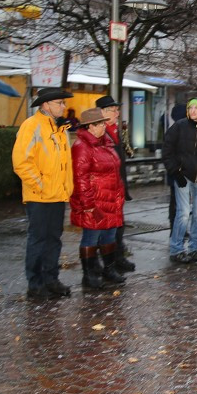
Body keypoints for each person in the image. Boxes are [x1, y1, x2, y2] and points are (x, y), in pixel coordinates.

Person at [12, 87, 74, 299]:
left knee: (54, 239)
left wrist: (67, 188)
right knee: (38, 239)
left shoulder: (60, 129)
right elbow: (21, 162)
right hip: (39, 196)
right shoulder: (31, 126)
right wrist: (40, 185)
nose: (63, 106)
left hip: (57, 195)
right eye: (59, 103)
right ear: (46, 105)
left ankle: (51, 279)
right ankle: (35, 284)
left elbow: (66, 164)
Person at [69, 108, 126, 289]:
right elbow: (80, 178)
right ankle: (89, 274)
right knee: (91, 238)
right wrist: (87, 204)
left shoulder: (105, 143)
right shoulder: (81, 147)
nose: (104, 125)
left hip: (110, 200)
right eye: (100, 123)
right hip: (94, 202)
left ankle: (108, 269)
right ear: (90, 127)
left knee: (109, 235)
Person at [163, 98, 197, 264]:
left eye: (196, 107)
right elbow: (167, 150)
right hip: (183, 175)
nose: (193, 110)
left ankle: (194, 249)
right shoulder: (179, 127)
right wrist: (175, 171)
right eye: (190, 107)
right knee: (183, 214)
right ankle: (176, 249)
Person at [95, 96, 135, 272]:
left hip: (117, 185)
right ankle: (107, 263)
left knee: (118, 225)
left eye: (117, 109)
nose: (117, 113)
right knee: (106, 229)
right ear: (103, 112)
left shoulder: (116, 130)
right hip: (106, 188)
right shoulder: (100, 133)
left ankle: (118, 257)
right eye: (113, 110)